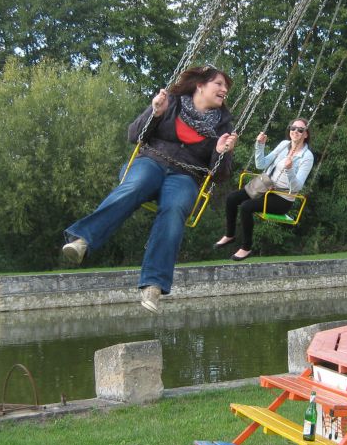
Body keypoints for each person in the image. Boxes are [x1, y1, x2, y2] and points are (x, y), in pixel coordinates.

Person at [61, 65, 237, 314]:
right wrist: (155, 113)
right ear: (200, 85)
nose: (224, 89)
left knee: (175, 208)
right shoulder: (171, 102)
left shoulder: (223, 126)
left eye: (226, 86)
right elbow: (134, 135)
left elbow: (220, 175)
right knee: (137, 186)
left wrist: (221, 153)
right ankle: (83, 241)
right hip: (151, 161)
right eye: (219, 83)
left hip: (186, 176)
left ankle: (153, 284)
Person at [214, 118, 314, 261]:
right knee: (232, 199)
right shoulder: (284, 145)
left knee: (246, 207)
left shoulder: (307, 157)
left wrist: (290, 170)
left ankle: (246, 247)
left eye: (300, 130)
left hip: (282, 198)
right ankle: (230, 235)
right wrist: (260, 145)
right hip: (266, 185)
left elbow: (297, 187)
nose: (295, 131)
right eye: (293, 128)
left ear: (306, 134)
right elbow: (261, 164)